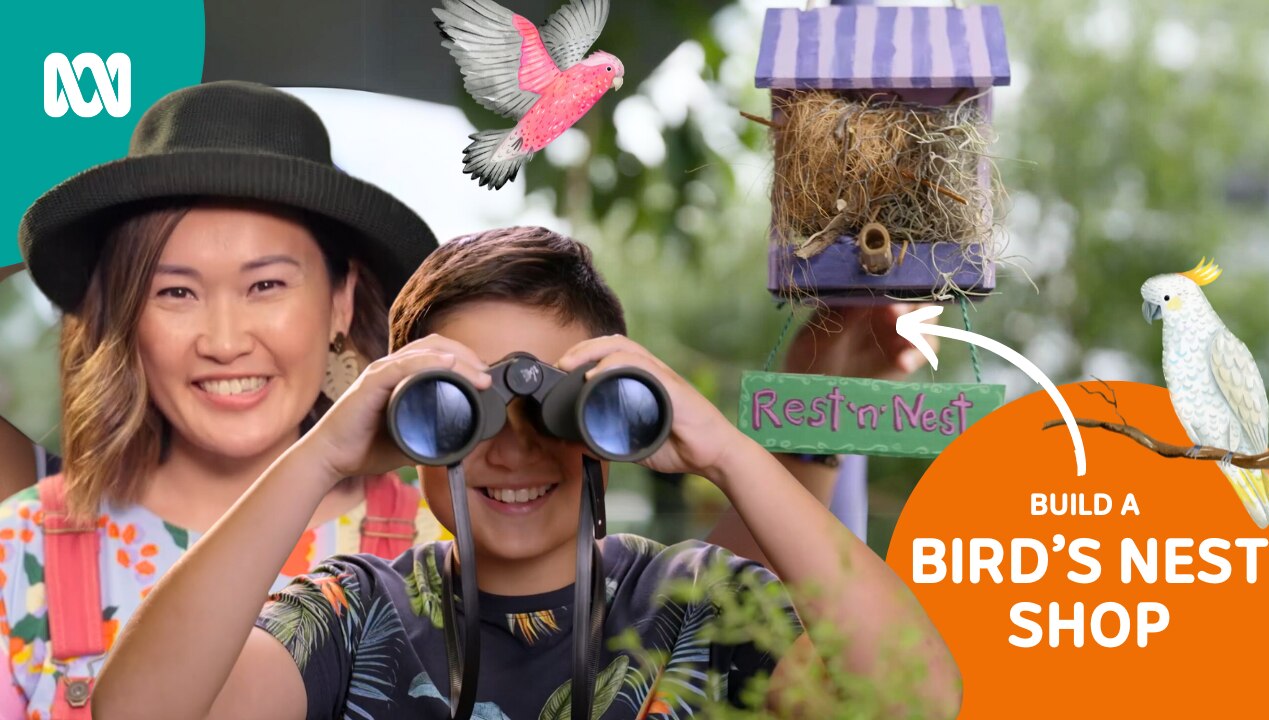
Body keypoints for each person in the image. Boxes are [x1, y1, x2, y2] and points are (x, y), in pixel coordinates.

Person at [94, 226, 961, 719]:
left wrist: (726, 450)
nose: (513, 448)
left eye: (555, 406)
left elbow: (914, 694)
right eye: (459, 409)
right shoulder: (354, 617)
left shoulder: (692, 605)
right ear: (406, 420)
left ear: (608, 418)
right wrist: (322, 452)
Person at [0, 80, 450, 718]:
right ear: (126, 317)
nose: (225, 341)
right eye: (176, 293)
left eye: (266, 284)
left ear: (341, 301)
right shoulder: (20, 551)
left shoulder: (446, 548)